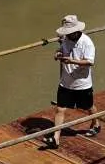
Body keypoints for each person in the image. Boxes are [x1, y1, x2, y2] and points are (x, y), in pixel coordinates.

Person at [42, 14, 100, 149]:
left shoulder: (87, 42)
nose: (68, 35)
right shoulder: (65, 39)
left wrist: (71, 61)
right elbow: (61, 50)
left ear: (77, 31)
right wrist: (58, 53)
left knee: (88, 106)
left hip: (82, 83)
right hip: (66, 82)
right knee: (60, 109)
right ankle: (56, 138)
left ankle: (96, 123)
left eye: (70, 32)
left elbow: (90, 62)